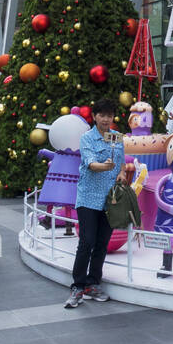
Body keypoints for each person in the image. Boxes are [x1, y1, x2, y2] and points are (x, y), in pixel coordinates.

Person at [64, 99, 121, 308]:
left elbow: (121, 162)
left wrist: (121, 173)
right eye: (102, 115)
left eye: (110, 115)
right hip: (88, 198)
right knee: (86, 241)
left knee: (101, 243)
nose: (106, 119)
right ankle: (78, 286)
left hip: (109, 200)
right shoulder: (87, 138)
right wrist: (104, 167)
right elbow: (90, 164)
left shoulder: (116, 137)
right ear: (95, 116)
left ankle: (93, 284)